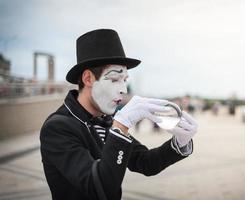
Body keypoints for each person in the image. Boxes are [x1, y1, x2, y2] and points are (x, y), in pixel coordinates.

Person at [40, 29, 198, 200]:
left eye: (124, 80)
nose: (123, 89)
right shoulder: (57, 127)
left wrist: (180, 143)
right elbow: (98, 188)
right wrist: (121, 126)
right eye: (114, 79)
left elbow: (145, 162)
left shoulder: (106, 121)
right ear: (88, 79)